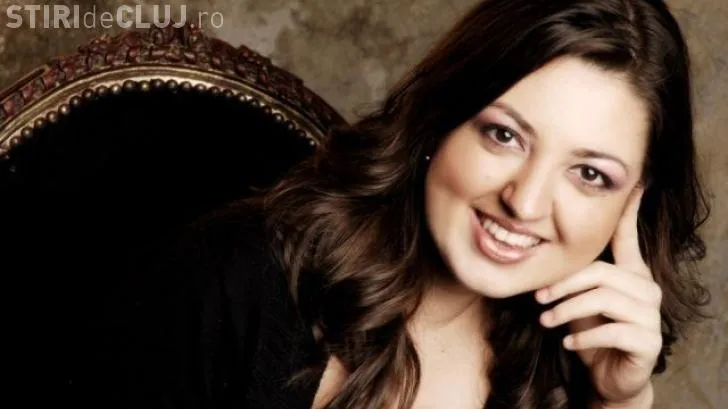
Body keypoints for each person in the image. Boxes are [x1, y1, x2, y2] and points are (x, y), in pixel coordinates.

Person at [174, 0, 711, 408]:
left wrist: (617, 402)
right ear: (441, 118)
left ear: (635, 203)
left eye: (590, 174)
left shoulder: (574, 361)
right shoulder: (241, 275)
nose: (525, 203)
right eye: (504, 136)